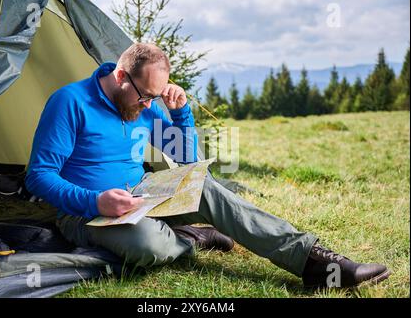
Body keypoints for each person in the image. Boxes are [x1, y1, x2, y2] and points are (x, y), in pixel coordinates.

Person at [26, 43, 390, 288]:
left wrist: (180, 112)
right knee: (148, 246)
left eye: (155, 97)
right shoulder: (69, 102)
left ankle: (315, 262)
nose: (149, 105)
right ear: (121, 77)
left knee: (208, 187)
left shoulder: (141, 103)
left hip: (142, 196)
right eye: (145, 97)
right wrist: (95, 201)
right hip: (86, 214)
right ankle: (191, 238)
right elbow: (39, 176)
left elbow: (186, 157)